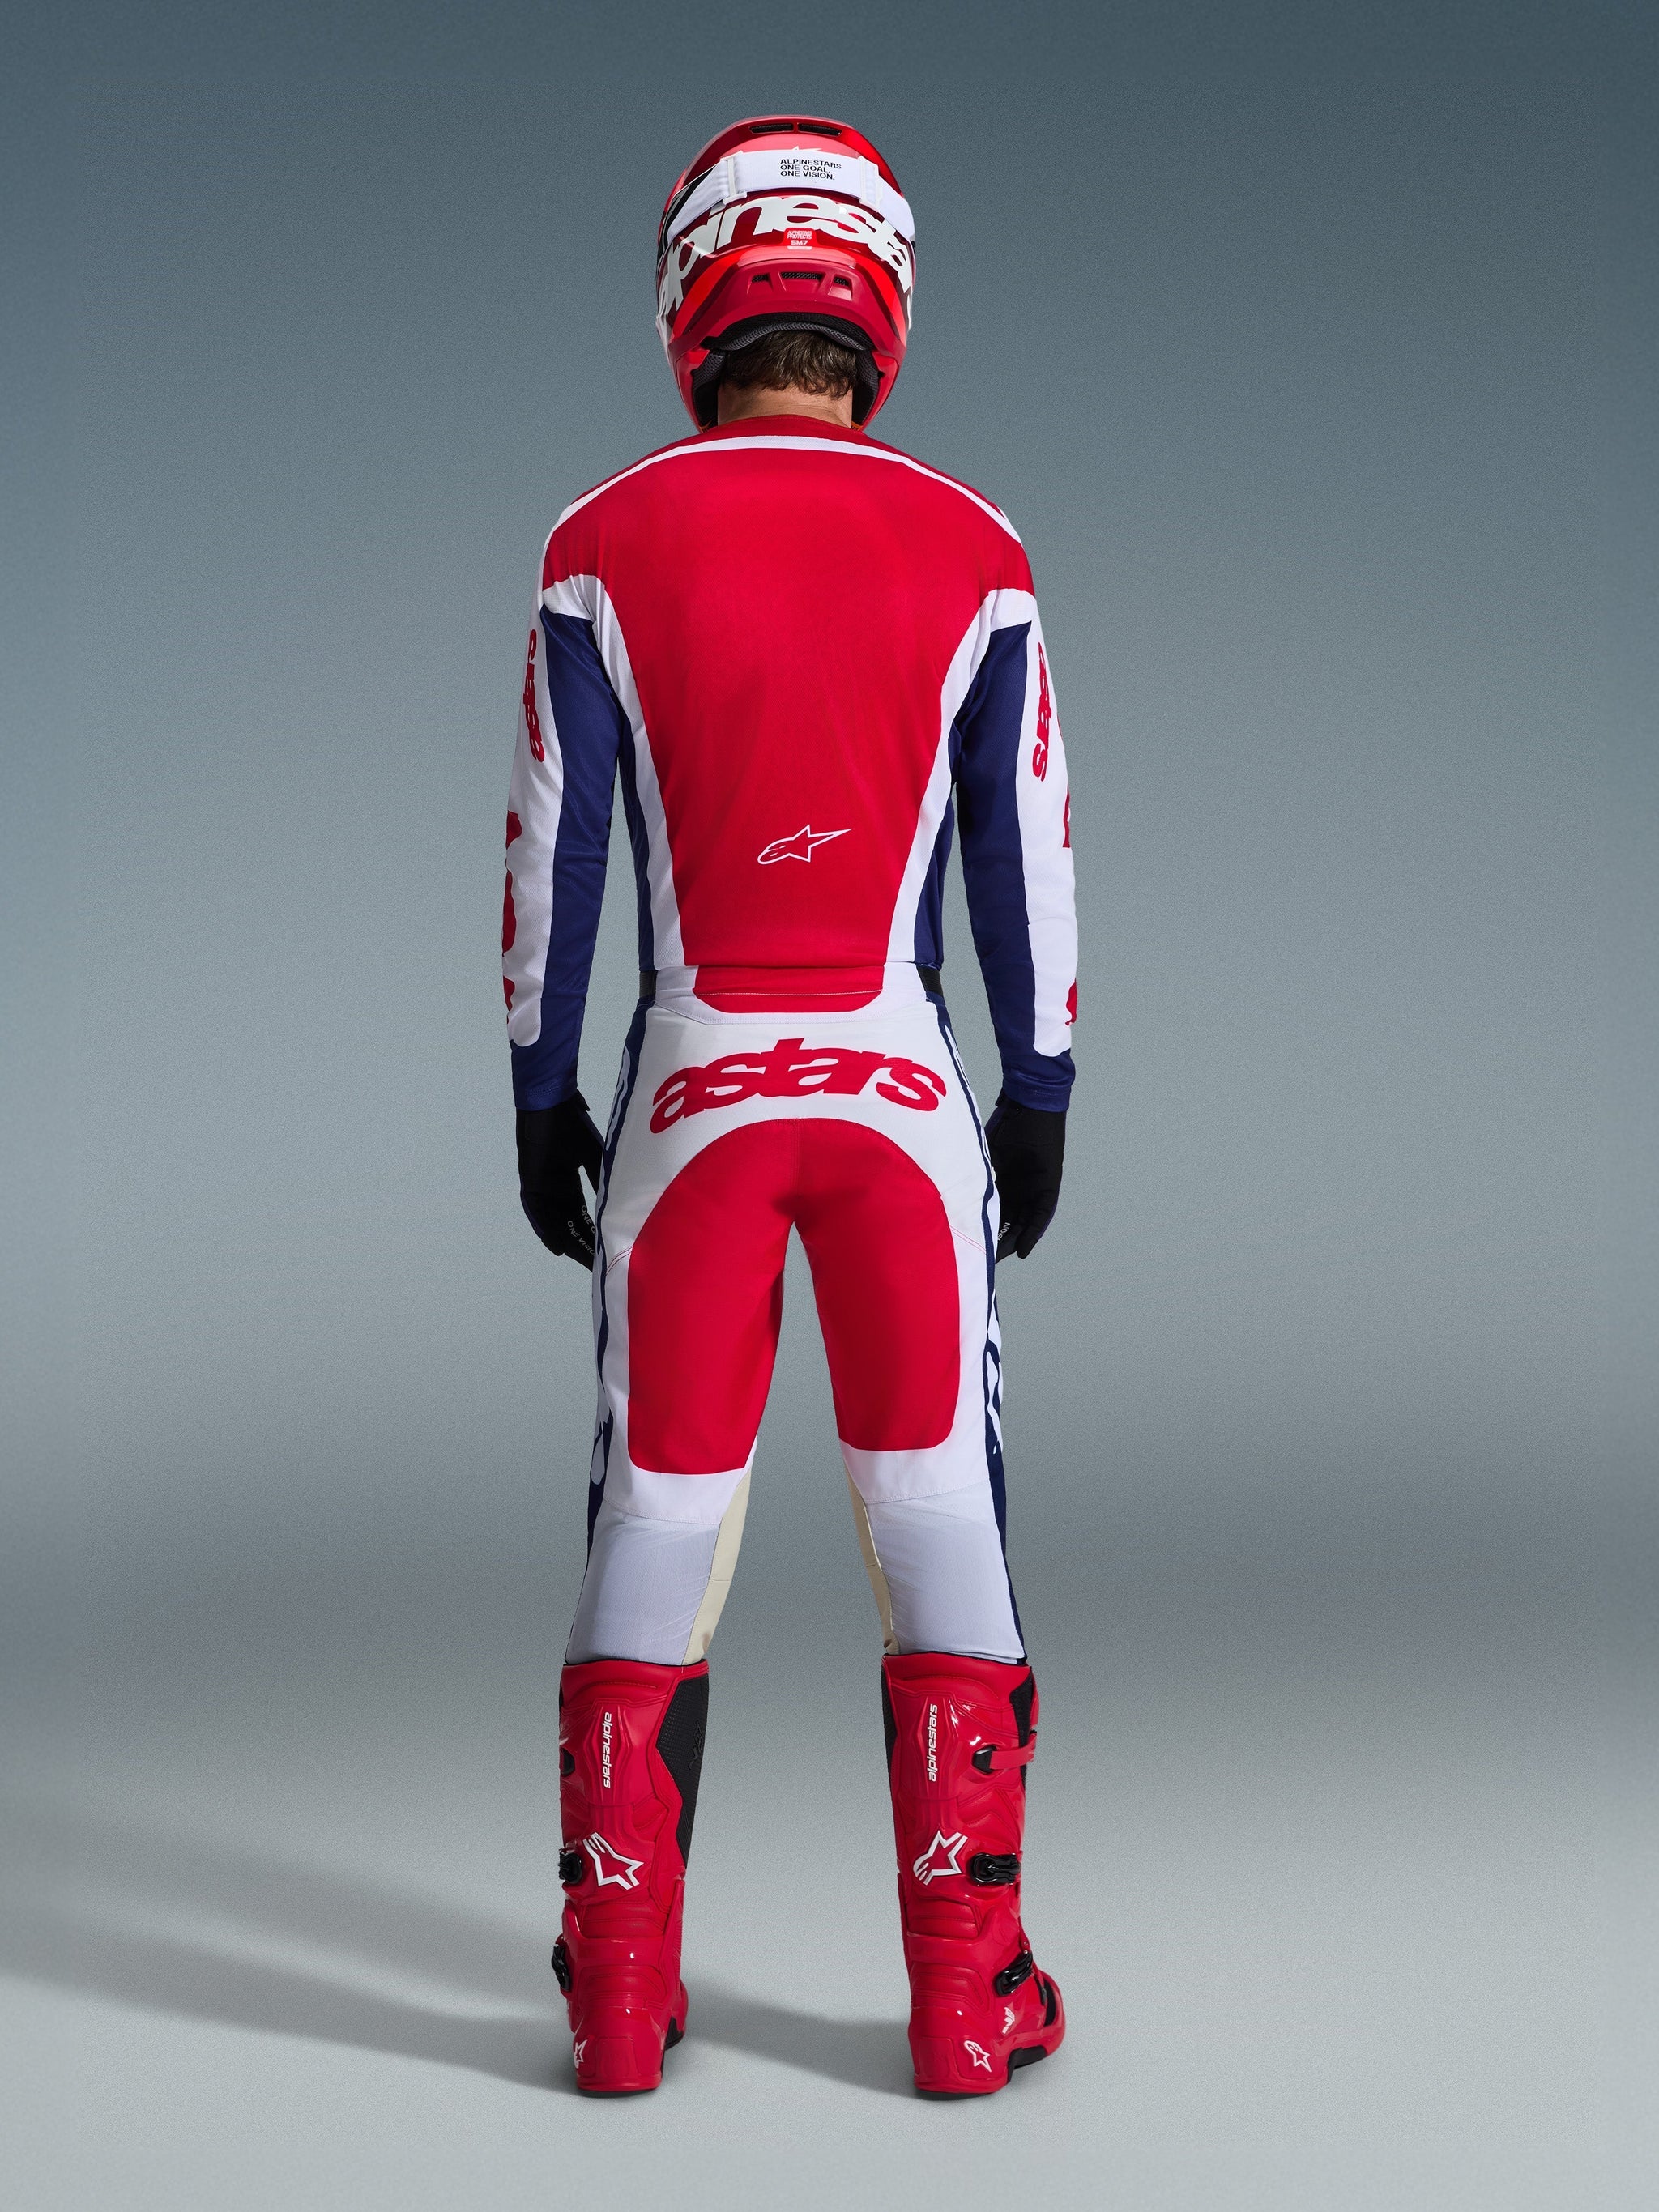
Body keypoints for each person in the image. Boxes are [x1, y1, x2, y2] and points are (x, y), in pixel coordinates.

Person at [501, 116, 1077, 2098]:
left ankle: (621, 2003)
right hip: (903, 1092)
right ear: (874, 298)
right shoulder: (977, 545)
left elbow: (552, 855)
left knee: (659, 1510)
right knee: (933, 1508)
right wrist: (1046, 1083)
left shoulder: (601, 539)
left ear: (698, 293)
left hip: (689, 1087)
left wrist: (531, 1088)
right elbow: (1024, 852)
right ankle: (966, 1999)